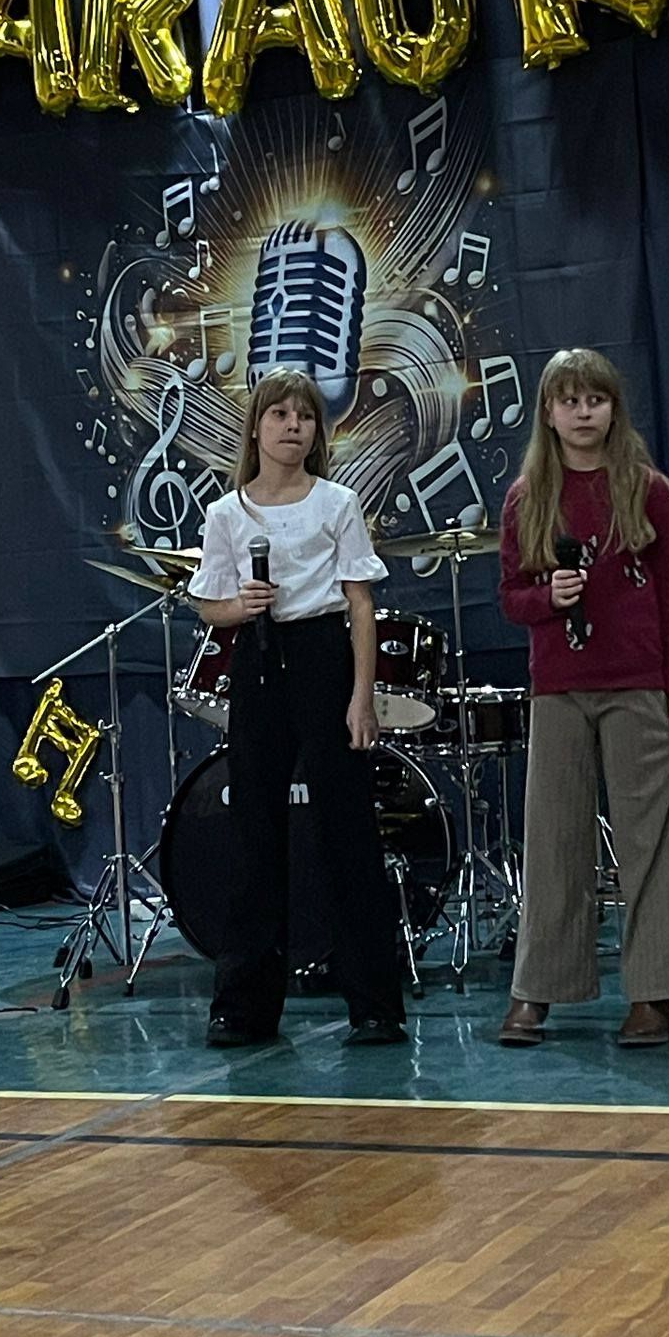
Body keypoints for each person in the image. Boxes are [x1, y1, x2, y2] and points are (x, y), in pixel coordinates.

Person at [497, 347, 669, 1048]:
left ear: (613, 409)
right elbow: (511, 598)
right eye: (570, 401)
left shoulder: (646, 489)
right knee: (553, 839)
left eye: (595, 400)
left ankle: (653, 992)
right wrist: (548, 598)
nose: (583, 413)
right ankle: (537, 990)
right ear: (549, 413)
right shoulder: (528, 496)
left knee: (651, 839)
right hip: (561, 688)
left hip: (636, 683)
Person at [187, 367, 407, 1048]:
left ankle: (374, 1003)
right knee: (255, 831)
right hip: (258, 659)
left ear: (317, 431)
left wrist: (360, 697)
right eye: (279, 415)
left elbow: (360, 604)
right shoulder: (227, 513)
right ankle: (243, 1006)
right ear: (256, 428)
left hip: (323, 655)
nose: (292, 427)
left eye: (304, 417)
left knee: (347, 830)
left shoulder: (337, 502)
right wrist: (238, 607)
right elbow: (208, 604)